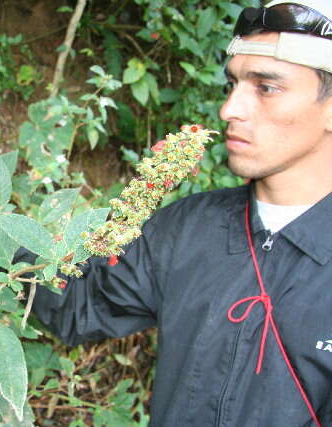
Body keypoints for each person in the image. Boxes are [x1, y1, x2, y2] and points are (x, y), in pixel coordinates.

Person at [29, 1, 332, 425]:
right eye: (233, 85)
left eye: (266, 87)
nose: (229, 110)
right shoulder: (189, 227)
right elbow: (78, 307)